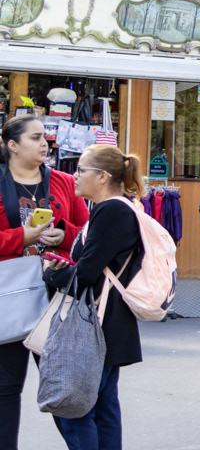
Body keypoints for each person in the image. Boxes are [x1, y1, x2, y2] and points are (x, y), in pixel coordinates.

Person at [42, 145, 146, 449]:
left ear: (101, 176)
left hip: (96, 323)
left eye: (81, 170)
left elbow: (87, 274)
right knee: (103, 407)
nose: (75, 176)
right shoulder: (119, 207)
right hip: (109, 319)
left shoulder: (111, 209)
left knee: (77, 411)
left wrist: (50, 273)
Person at [0, 116, 91, 450]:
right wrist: (20, 237)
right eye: (35, 137)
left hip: (57, 295)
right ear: (12, 145)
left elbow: (86, 233)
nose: (44, 143)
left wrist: (63, 235)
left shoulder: (64, 182)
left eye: (45, 137)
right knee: (6, 389)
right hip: (9, 295)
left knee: (65, 388)